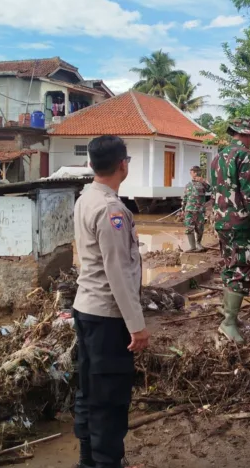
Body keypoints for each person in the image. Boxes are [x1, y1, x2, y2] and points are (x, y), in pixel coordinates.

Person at [72, 135, 149, 468]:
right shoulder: (111, 209)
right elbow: (117, 272)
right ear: (123, 165)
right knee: (110, 398)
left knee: (89, 389)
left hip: (86, 310)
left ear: (91, 164)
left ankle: (88, 460)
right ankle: (106, 463)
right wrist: (138, 326)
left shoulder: (86, 197)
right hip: (107, 316)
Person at [210, 117, 250, 343]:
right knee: (241, 268)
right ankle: (227, 322)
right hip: (240, 224)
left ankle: (230, 317)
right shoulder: (245, 155)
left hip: (222, 222)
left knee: (230, 266)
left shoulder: (218, 157)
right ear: (246, 135)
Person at [181, 165, 211, 252]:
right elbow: (185, 198)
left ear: (196, 172)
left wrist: (204, 181)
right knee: (189, 228)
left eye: (192, 172)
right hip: (189, 210)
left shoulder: (203, 184)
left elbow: (211, 189)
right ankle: (192, 247)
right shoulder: (188, 185)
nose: (191, 174)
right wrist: (182, 210)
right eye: (191, 172)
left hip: (199, 211)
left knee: (200, 228)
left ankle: (199, 244)